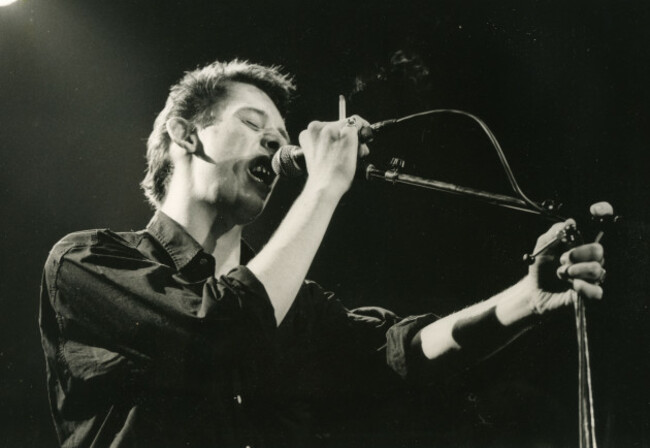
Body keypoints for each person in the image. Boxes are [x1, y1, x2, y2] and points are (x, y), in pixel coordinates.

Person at [39, 59, 607, 448]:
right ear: (188, 136)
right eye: (252, 123)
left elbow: (400, 354)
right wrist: (324, 189)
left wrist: (524, 299)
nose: (276, 142)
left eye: (281, 132)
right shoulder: (89, 263)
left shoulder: (300, 307)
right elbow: (218, 330)